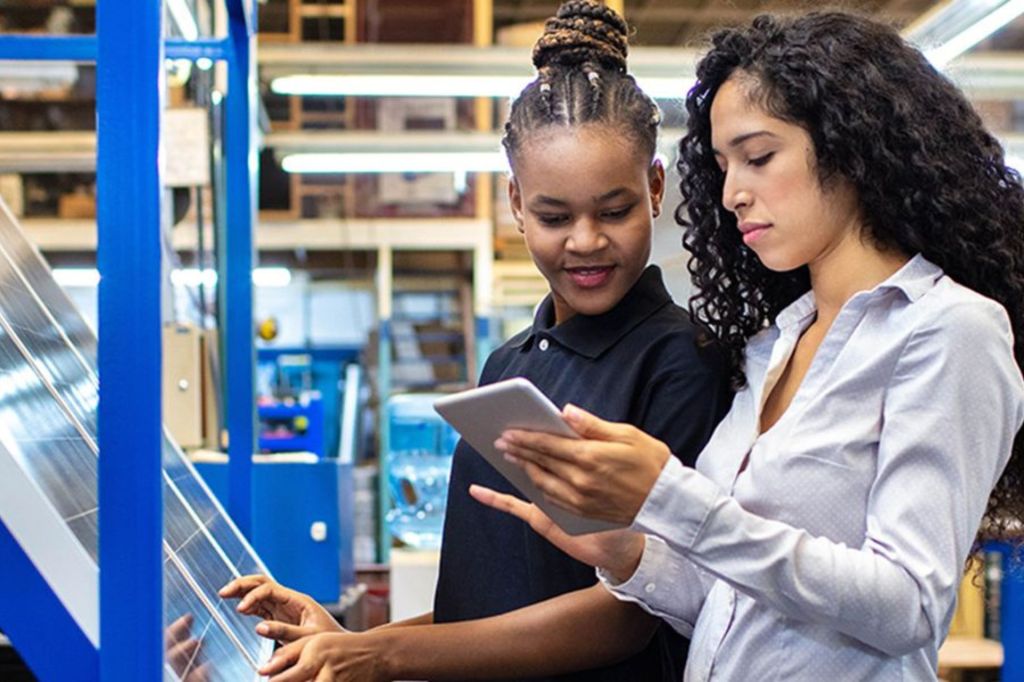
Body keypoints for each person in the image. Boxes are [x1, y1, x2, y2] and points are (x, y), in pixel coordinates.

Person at [472, 11, 1024, 681]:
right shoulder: (774, 344)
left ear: (850, 144)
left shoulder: (946, 331)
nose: (733, 193)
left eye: (758, 157)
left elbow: (908, 605)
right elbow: (728, 599)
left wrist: (673, 496)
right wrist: (624, 552)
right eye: (722, 164)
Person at [220, 2, 732, 680]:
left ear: (656, 187)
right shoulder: (509, 366)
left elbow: (630, 614)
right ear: (517, 203)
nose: (585, 240)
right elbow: (483, 607)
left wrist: (380, 653)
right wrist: (342, 637)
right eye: (554, 215)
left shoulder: (683, 362)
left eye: (614, 210)